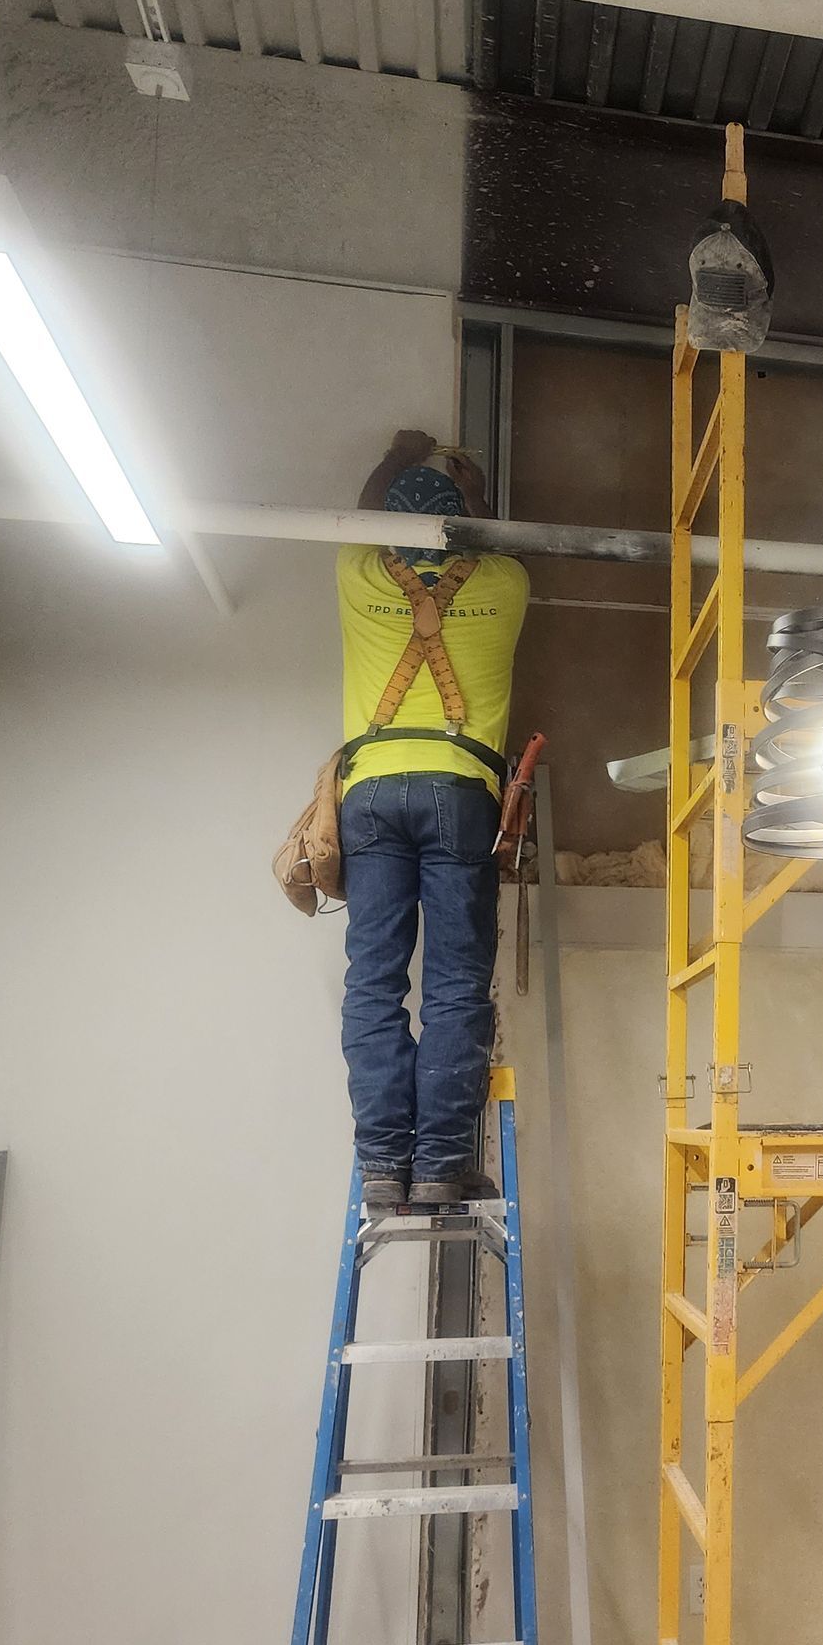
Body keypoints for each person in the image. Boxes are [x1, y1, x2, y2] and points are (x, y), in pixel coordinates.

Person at [335, 433, 529, 1209]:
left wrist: (393, 457)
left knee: (374, 982)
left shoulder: (354, 574)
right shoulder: (506, 585)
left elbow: (356, 518)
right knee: (454, 983)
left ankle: (385, 1165)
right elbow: (489, 539)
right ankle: (443, 1162)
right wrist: (474, 489)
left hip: (372, 791)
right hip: (460, 792)